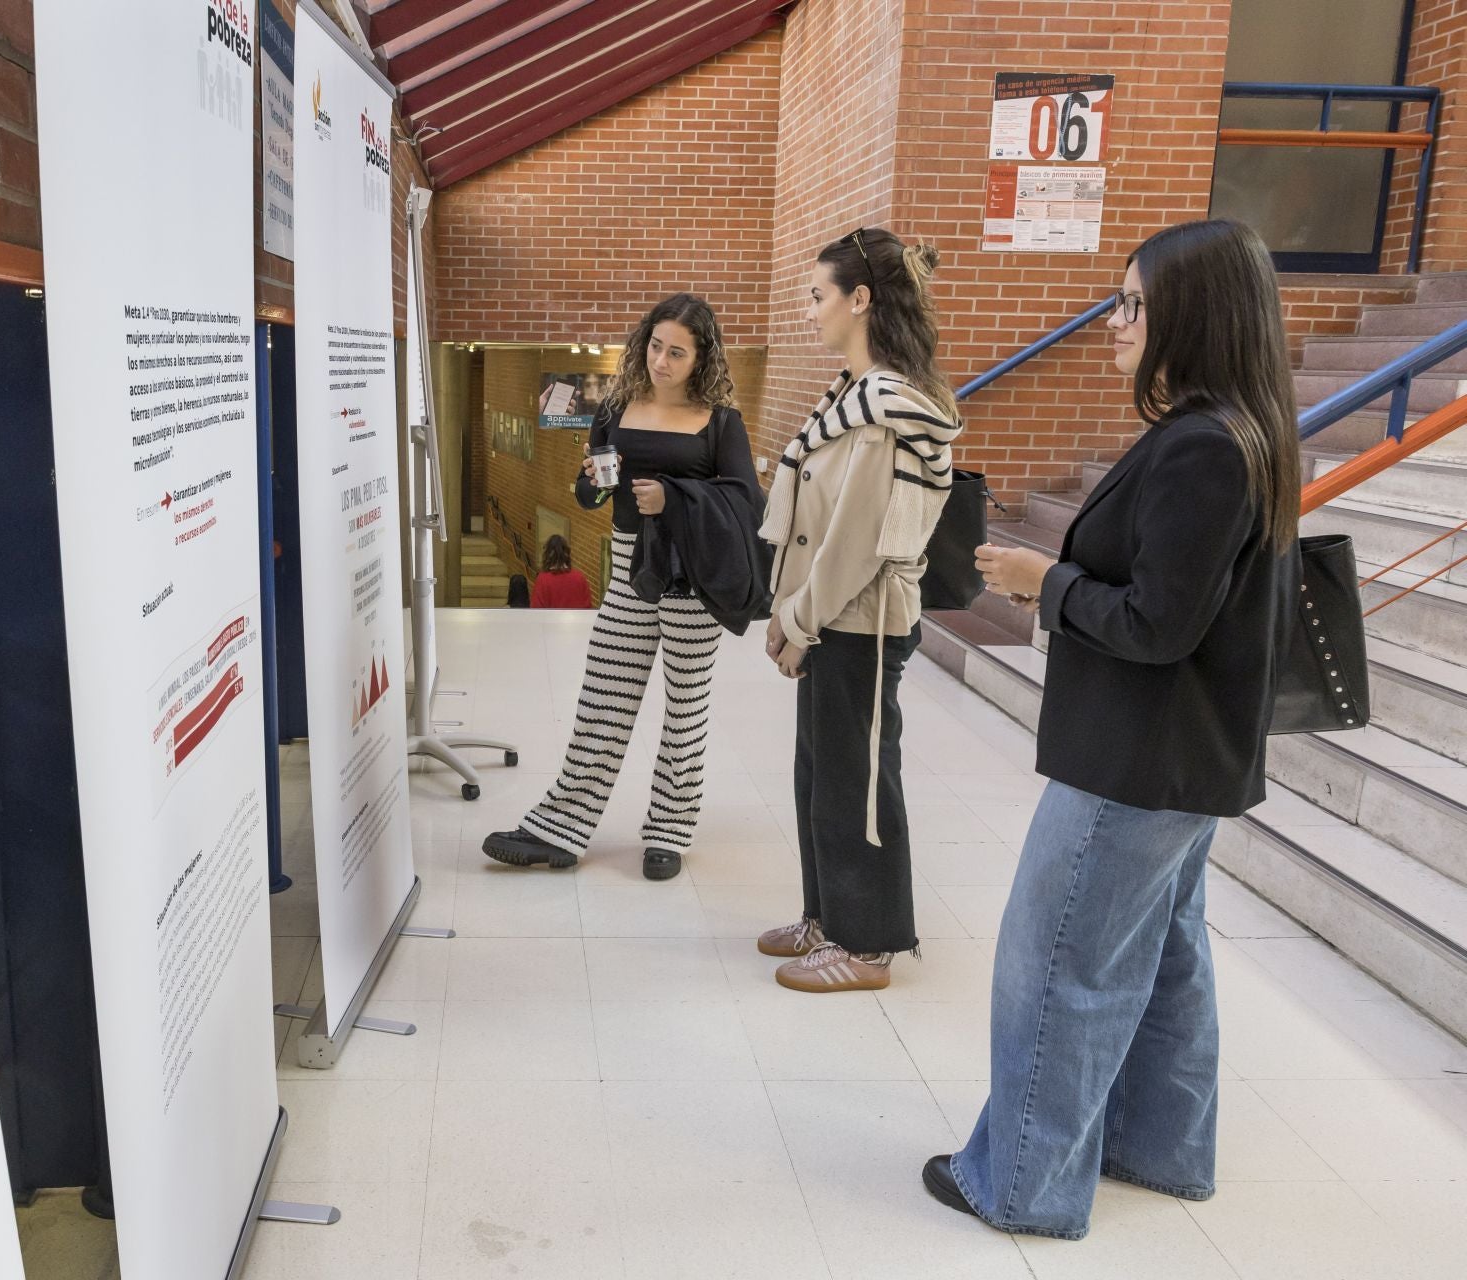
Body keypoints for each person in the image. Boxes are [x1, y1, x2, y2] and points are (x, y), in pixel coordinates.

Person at [923, 219, 1300, 1239]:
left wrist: (1045, 582)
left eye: (1133, 303)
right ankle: (1157, 1144)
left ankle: (1023, 1183)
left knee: (1057, 962)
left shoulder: (1206, 447)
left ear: (1195, 313)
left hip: (1139, 761)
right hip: (1184, 760)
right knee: (1168, 957)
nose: (1114, 323)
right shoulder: (1242, 430)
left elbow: (1155, 623)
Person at [482, 293, 755, 881]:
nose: (661, 361)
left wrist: (674, 498)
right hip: (632, 565)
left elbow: (743, 502)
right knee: (603, 698)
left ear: (701, 358)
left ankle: (668, 832)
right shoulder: (615, 408)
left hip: (691, 576)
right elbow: (592, 497)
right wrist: (591, 484)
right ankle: (561, 828)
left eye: (676, 352)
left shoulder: (721, 422)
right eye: (655, 346)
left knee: (685, 709)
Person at [755, 228, 962, 993]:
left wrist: (797, 620)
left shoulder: (883, 410)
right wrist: (792, 612)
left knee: (859, 780)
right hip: (834, 615)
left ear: (861, 299)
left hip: (862, 619)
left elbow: (854, 545)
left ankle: (866, 945)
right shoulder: (851, 397)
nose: (811, 312)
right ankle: (826, 915)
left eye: (818, 297)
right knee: (822, 773)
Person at [531, 535, 593, 608]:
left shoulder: (542, 579)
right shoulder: (579, 577)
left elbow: (537, 609)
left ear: (547, 555)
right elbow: (587, 608)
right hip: (576, 619)